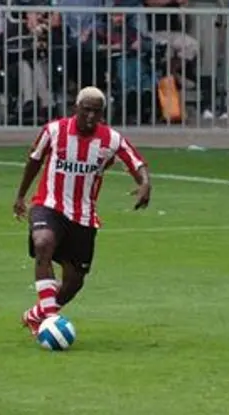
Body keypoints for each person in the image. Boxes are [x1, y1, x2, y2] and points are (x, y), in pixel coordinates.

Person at [13, 86, 152, 337]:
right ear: (76, 108)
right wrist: (21, 195)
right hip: (49, 204)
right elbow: (34, 160)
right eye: (86, 110)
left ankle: (36, 315)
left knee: (74, 281)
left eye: (96, 112)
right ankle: (50, 319)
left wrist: (145, 183)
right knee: (43, 242)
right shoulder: (54, 131)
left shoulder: (111, 139)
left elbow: (136, 162)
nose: (90, 116)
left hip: (83, 216)